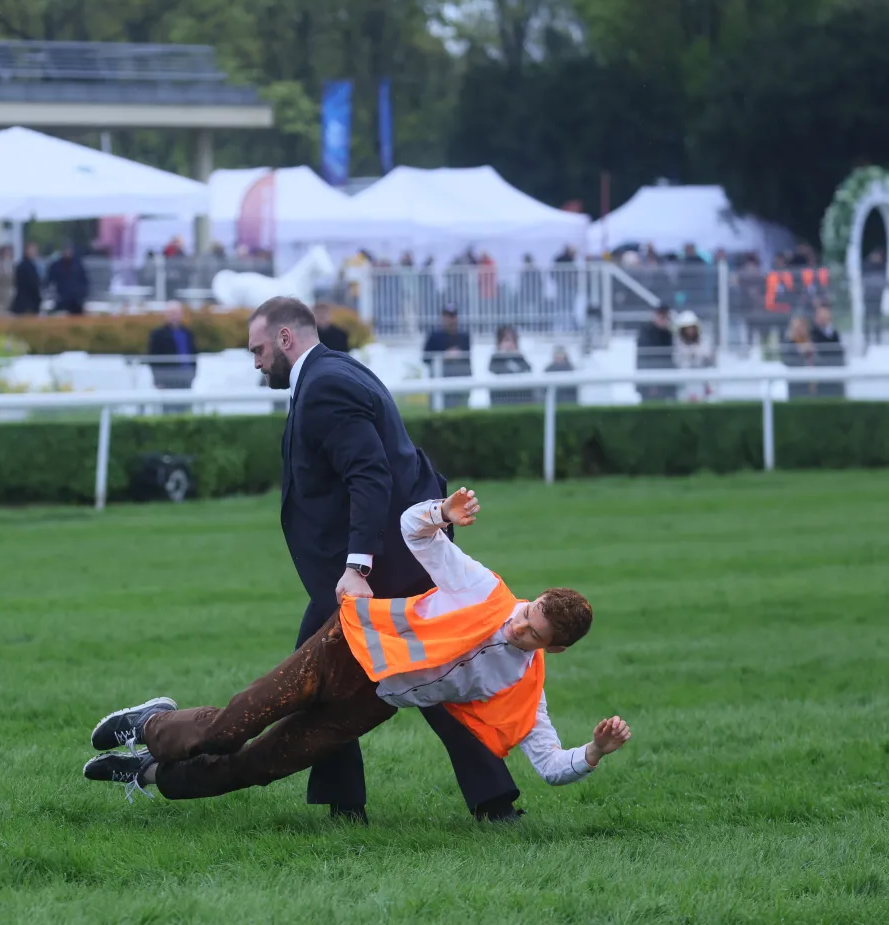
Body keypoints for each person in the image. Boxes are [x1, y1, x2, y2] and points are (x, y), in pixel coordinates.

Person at [84, 488, 632, 810]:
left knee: (256, 768)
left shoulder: (524, 684)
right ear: (531, 600)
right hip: (345, 649)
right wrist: (441, 513)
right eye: (526, 615)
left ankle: (149, 775)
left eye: (534, 636)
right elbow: (411, 530)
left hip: (371, 705)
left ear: (552, 651)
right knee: (231, 729)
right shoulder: (483, 588)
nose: (520, 629)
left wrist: (595, 753)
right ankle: (153, 724)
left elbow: (551, 767)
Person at [243, 296, 527, 824]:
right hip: (398, 557)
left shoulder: (325, 384)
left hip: (379, 568)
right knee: (414, 675)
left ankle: (349, 806)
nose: (256, 361)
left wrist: (358, 567)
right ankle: (481, 801)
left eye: (258, 349)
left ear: (285, 339)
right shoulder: (338, 369)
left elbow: (370, 475)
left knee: (326, 677)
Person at [146, 301, 197, 414]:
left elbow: (193, 353)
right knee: (169, 409)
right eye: (171, 313)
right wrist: (158, 379)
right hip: (168, 377)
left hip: (185, 376)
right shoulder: (158, 334)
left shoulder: (187, 333)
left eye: (176, 313)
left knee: (186, 407)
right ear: (166, 314)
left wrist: (193, 373)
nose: (174, 316)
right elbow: (153, 357)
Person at [636, 304, 677, 402]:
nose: (663, 318)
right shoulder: (647, 331)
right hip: (650, 379)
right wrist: (651, 383)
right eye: (661, 315)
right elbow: (645, 358)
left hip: (667, 378)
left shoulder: (670, 332)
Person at [672, 311, 714, 403]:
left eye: (692, 328)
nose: (690, 331)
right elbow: (678, 360)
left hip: (701, 380)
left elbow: (708, 356)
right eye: (687, 329)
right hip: (685, 382)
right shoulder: (677, 344)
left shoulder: (704, 342)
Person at [487, 325, 534, 407]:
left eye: (513, 341)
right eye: (506, 340)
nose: (510, 344)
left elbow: (528, 369)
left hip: (520, 397)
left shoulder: (519, 357)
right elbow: (493, 371)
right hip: (501, 398)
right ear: (499, 342)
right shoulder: (496, 358)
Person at [423, 304, 472, 379]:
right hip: (441, 379)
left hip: (461, 380)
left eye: (453, 316)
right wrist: (444, 356)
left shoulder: (464, 337)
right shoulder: (434, 337)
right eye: (448, 316)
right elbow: (426, 358)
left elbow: (467, 359)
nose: (451, 320)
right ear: (443, 318)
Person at [809, 302, 846, 398]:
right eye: (821, 314)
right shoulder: (812, 332)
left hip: (835, 375)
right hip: (820, 377)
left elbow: (839, 350)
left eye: (826, 313)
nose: (824, 316)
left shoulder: (834, 333)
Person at [781, 314, 817, 400]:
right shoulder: (789, 344)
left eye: (801, 326)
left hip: (814, 386)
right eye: (795, 327)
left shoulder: (812, 342)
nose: (798, 330)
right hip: (797, 386)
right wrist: (799, 351)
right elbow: (787, 362)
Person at [47, 244, 90, 316]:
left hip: (77, 299)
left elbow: (84, 280)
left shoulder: (77, 265)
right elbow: (50, 281)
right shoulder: (56, 266)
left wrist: (83, 295)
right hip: (62, 298)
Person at [11, 242, 43, 315]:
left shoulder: (21, 266)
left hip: (21, 303)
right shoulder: (28, 267)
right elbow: (33, 286)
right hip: (29, 304)